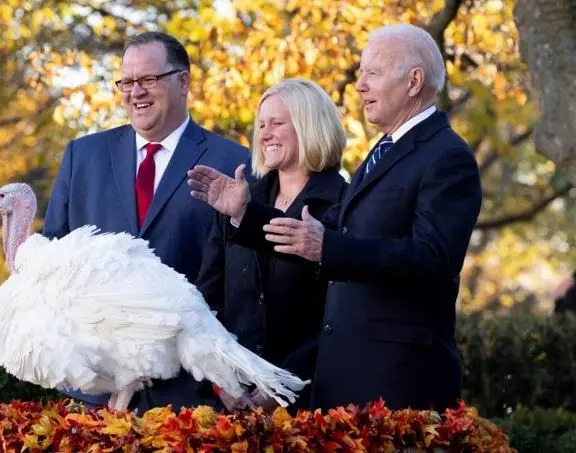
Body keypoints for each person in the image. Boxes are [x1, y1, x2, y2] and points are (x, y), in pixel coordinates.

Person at [188, 24, 483, 412]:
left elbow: (433, 257)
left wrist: (328, 246)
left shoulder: (446, 156)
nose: (359, 85)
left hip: (400, 385)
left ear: (414, 81)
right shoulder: (386, 151)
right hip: (351, 384)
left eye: (372, 73)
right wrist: (245, 214)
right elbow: (321, 239)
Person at [43, 31, 249, 411]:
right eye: (127, 82)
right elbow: (52, 263)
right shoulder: (82, 157)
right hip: (97, 396)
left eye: (149, 80)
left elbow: (245, 280)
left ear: (183, 81)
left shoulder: (232, 163)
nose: (135, 91)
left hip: (192, 396)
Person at [193, 79, 348, 412]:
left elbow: (340, 318)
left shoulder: (342, 205)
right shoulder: (238, 198)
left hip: (310, 406)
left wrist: (280, 387)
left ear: (309, 126)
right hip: (233, 405)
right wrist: (222, 382)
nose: (264, 134)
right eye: (261, 124)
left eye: (277, 123)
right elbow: (205, 303)